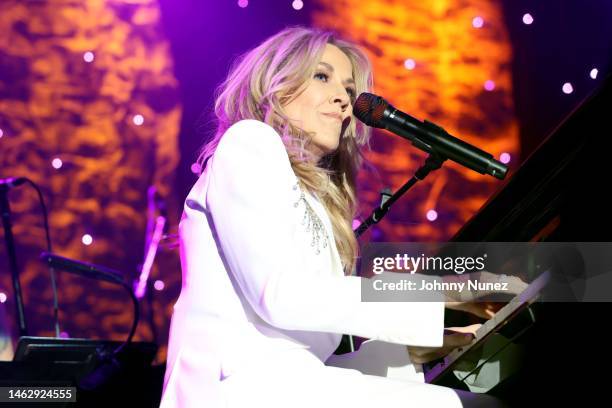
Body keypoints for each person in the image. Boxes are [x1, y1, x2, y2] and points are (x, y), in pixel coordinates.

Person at [160, 26, 509, 407]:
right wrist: (443, 290)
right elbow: (281, 296)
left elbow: (305, 361)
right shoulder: (250, 141)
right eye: (322, 76)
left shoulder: (317, 205)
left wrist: (403, 353)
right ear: (276, 85)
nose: (344, 99)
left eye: (348, 88)